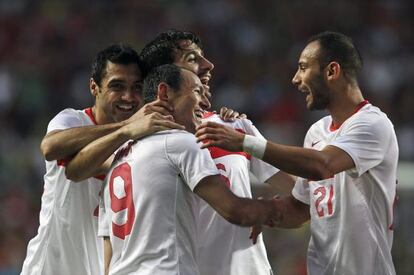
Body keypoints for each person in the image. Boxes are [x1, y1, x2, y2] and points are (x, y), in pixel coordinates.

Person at [195, 31, 398, 275]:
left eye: (303, 68)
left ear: (332, 71)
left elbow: (324, 165)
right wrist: (264, 211)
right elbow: (301, 209)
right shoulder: (317, 132)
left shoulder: (373, 124)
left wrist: (246, 143)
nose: (295, 79)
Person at [99, 64, 280, 275]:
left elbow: (108, 246)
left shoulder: (119, 157)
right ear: (164, 93)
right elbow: (234, 211)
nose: (206, 101)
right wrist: (271, 210)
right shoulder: (181, 142)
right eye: (197, 91)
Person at [140, 29, 295, 275]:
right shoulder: (141, 146)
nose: (209, 65)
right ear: (165, 76)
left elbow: (294, 188)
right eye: (192, 59)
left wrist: (267, 210)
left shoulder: (234, 127)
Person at [21, 44, 182, 275]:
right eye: (117, 86)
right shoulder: (72, 121)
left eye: (136, 87)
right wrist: (126, 127)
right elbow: (49, 147)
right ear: (94, 87)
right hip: (51, 267)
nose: (128, 96)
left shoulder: (145, 138)